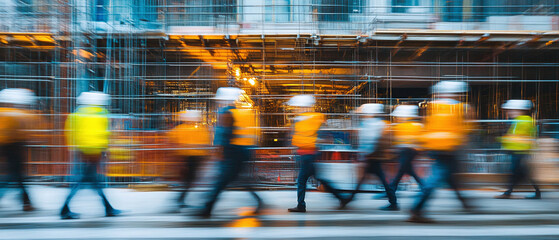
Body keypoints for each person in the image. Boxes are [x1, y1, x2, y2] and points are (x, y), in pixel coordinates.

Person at [408, 81, 472, 223]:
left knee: (450, 178)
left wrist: (421, 146)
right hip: (448, 149)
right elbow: (466, 129)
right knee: (434, 179)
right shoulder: (460, 108)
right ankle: (417, 209)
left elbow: (427, 127)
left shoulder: (433, 107)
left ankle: (465, 202)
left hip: (436, 148)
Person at [196, 87, 263, 218]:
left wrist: (218, 152)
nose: (219, 102)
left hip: (231, 152)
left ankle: (206, 209)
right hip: (240, 152)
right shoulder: (240, 113)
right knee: (240, 180)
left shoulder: (226, 113)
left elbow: (223, 134)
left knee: (221, 182)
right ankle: (259, 202)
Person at [60, 91, 122, 220]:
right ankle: (64, 209)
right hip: (95, 153)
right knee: (86, 180)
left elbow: (70, 132)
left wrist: (74, 148)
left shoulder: (77, 115)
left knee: (88, 180)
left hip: (81, 152)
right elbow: (106, 134)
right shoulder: (102, 114)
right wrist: (106, 151)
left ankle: (108, 208)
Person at [287, 95, 346, 213]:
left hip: (308, 154)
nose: (295, 109)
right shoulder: (310, 118)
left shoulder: (304, 119)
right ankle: (341, 198)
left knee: (302, 180)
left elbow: (302, 136)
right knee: (319, 179)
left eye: (297, 107)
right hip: (309, 154)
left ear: (303, 107)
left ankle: (301, 205)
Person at [340, 103, 398, 211]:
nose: (363, 115)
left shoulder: (373, 124)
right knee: (367, 181)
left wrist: (365, 154)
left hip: (373, 158)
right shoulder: (375, 123)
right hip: (373, 157)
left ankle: (348, 200)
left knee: (366, 181)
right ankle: (393, 202)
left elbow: (371, 142)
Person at [495, 100, 541, 199]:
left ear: (520, 110)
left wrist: (502, 139)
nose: (509, 112)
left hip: (520, 151)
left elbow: (518, 137)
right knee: (521, 172)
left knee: (518, 172)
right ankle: (536, 192)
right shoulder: (521, 120)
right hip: (519, 151)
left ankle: (508, 193)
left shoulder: (523, 121)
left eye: (511, 110)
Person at [0, 88, 37, 212]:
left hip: (10, 147)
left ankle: (26, 202)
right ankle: (26, 202)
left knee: (16, 176)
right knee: (16, 175)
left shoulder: (6, 112)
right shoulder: (14, 113)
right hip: (13, 147)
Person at [168, 110, 211, 210]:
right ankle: (180, 199)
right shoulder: (200, 129)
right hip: (192, 158)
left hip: (186, 158)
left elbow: (172, 142)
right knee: (189, 181)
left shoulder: (179, 129)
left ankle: (180, 199)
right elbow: (206, 145)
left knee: (188, 181)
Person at [389, 105, 424, 193]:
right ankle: (424, 187)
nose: (397, 118)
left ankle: (391, 189)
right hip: (407, 151)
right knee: (408, 170)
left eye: (399, 116)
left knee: (401, 172)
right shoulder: (415, 126)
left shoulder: (408, 126)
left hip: (408, 151)